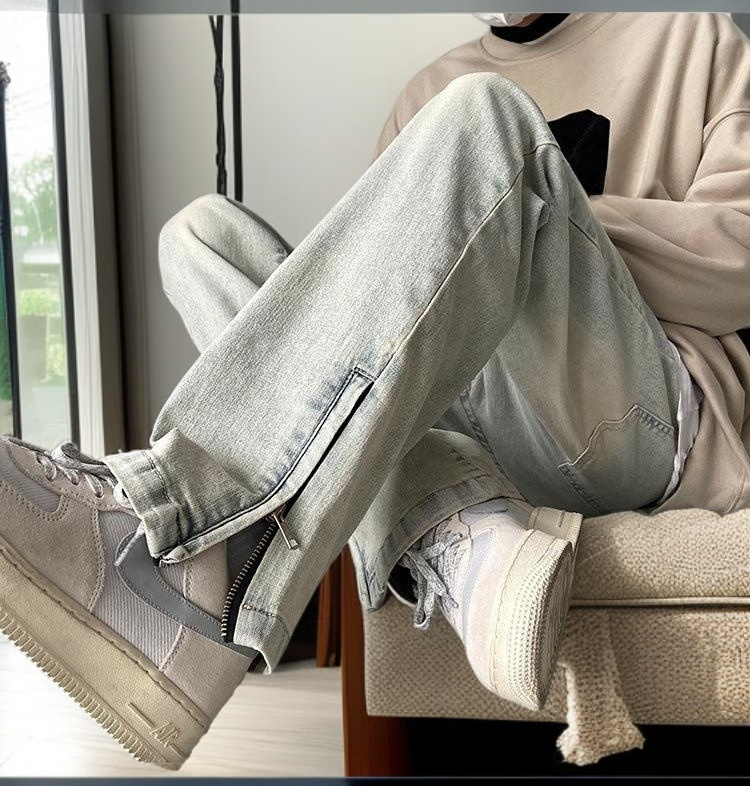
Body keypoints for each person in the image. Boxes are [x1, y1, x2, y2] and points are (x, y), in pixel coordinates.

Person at [0, 11, 748, 771]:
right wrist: (488, 207)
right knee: (200, 238)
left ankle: (169, 525)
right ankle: (459, 531)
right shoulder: (427, 91)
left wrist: (526, 209)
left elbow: (742, 253)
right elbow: (399, 299)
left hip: (633, 421)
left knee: (482, 114)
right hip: (471, 425)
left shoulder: (689, 36)